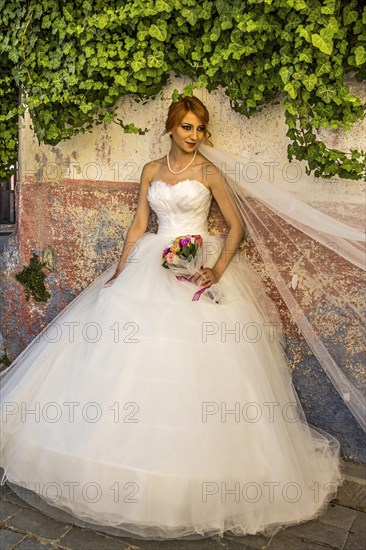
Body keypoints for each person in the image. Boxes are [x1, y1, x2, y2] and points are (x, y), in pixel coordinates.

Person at [0, 95, 343, 541]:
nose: (193, 135)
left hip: (194, 262)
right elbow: (141, 222)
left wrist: (214, 270)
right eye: (186, 127)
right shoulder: (150, 171)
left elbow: (236, 226)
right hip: (148, 263)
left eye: (199, 128)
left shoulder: (209, 173)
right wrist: (121, 269)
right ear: (171, 128)